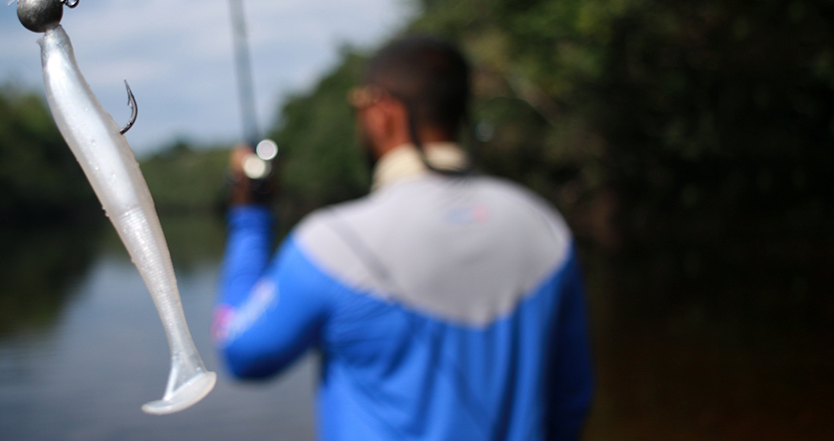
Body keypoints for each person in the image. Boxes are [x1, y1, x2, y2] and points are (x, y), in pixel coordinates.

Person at [212, 36, 593, 441]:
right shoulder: (544, 227)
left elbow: (242, 353)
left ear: (382, 112)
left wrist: (249, 217)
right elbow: (571, 398)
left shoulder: (332, 242)